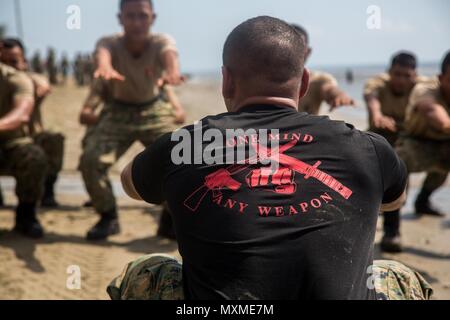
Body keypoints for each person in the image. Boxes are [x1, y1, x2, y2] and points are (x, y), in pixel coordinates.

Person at [114, 16, 432, 300]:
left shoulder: (185, 144)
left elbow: (130, 182)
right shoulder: (368, 148)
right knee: (396, 273)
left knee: (148, 269)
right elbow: (393, 201)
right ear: (304, 82)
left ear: (226, 80)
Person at [79, 0, 185, 241]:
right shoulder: (109, 42)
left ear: (152, 18)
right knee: (90, 160)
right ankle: (108, 216)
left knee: (181, 159)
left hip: (153, 110)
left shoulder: (161, 41)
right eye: (130, 16)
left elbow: (170, 56)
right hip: (118, 111)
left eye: (142, 16)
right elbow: (103, 57)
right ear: (120, 18)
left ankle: (169, 219)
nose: (137, 22)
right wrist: (104, 67)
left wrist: (172, 72)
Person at [364, 52, 447, 253]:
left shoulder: (421, 84)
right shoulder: (385, 85)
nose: (401, 80)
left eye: (406, 75)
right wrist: (377, 115)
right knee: (397, 166)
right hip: (387, 137)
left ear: (414, 75)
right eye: (397, 74)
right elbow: (372, 97)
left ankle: (423, 200)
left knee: (439, 171)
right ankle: (391, 224)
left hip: (431, 140)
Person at [1, 38, 65, 208]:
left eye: (13, 61)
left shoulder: (26, 80)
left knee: (51, 140)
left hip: (23, 140)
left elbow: (41, 83)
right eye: (3, 61)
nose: (8, 66)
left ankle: (43, 194)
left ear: (24, 61)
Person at [396, 51, 450, 217]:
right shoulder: (425, 90)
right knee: (397, 165)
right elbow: (436, 115)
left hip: (446, 146)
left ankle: (423, 201)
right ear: (440, 78)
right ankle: (391, 228)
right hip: (415, 144)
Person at [0, 60, 48, 238]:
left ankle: (26, 214)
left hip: (10, 143)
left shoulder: (16, 79)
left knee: (34, 157)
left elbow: (21, 114)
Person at [291, 24, 354, 115]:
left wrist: (340, 95)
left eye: (299, 47)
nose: (294, 52)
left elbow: (328, 89)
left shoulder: (317, 80)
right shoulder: (268, 80)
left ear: (308, 52)